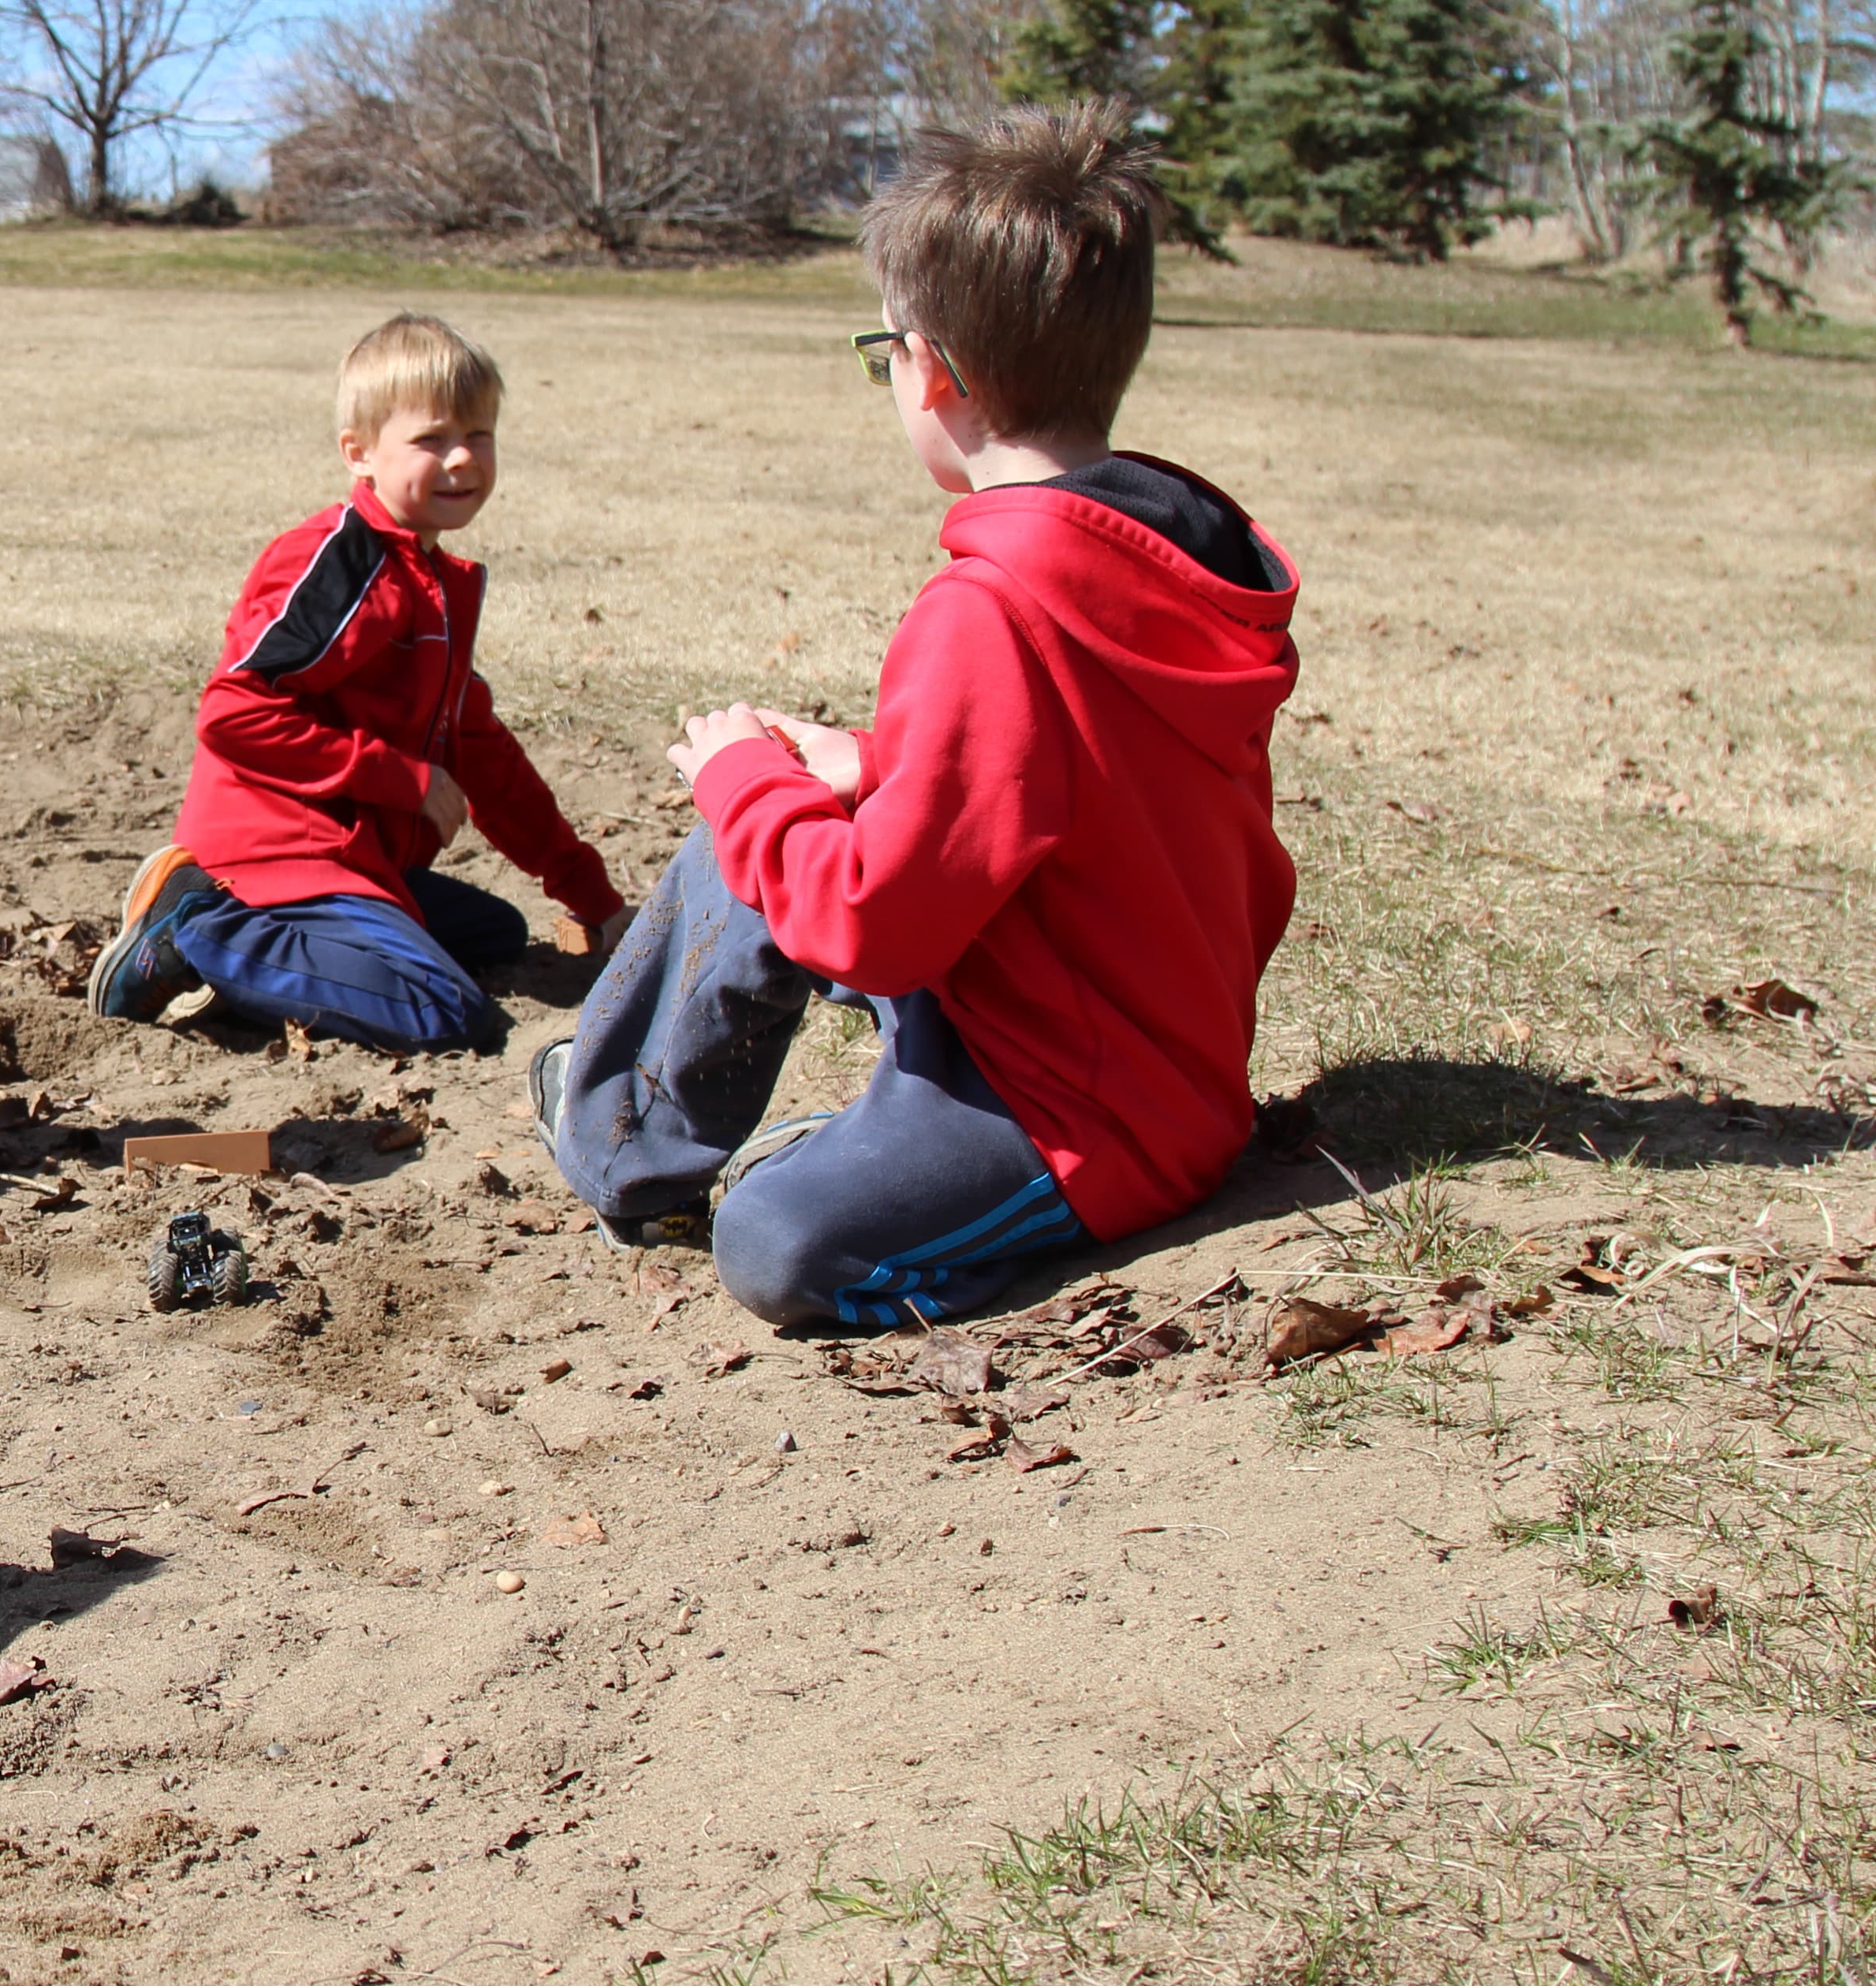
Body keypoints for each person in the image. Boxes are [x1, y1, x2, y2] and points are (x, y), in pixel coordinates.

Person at [533, 101, 1302, 1329]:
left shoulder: (990, 608)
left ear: (929, 367)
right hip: (1099, 1018)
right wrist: (873, 762)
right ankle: (631, 1141)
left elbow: (871, 928)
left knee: (774, 1241)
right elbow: (1086, 786)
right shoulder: (1154, 565)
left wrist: (740, 778)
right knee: (760, 834)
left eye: (880, 353)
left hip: (1084, 1116)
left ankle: (808, 1167)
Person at [88, 312, 629, 1054]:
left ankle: (269, 956)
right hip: (277, 856)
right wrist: (400, 777)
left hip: (355, 858)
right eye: (431, 438)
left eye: (479, 435)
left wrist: (592, 898)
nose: (462, 458)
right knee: (446, 1014)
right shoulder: (344, 563)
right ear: (359, 453)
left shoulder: (433, 582)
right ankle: (194, 928)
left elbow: (483, 756)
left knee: (495, 934)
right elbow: (232, 714)